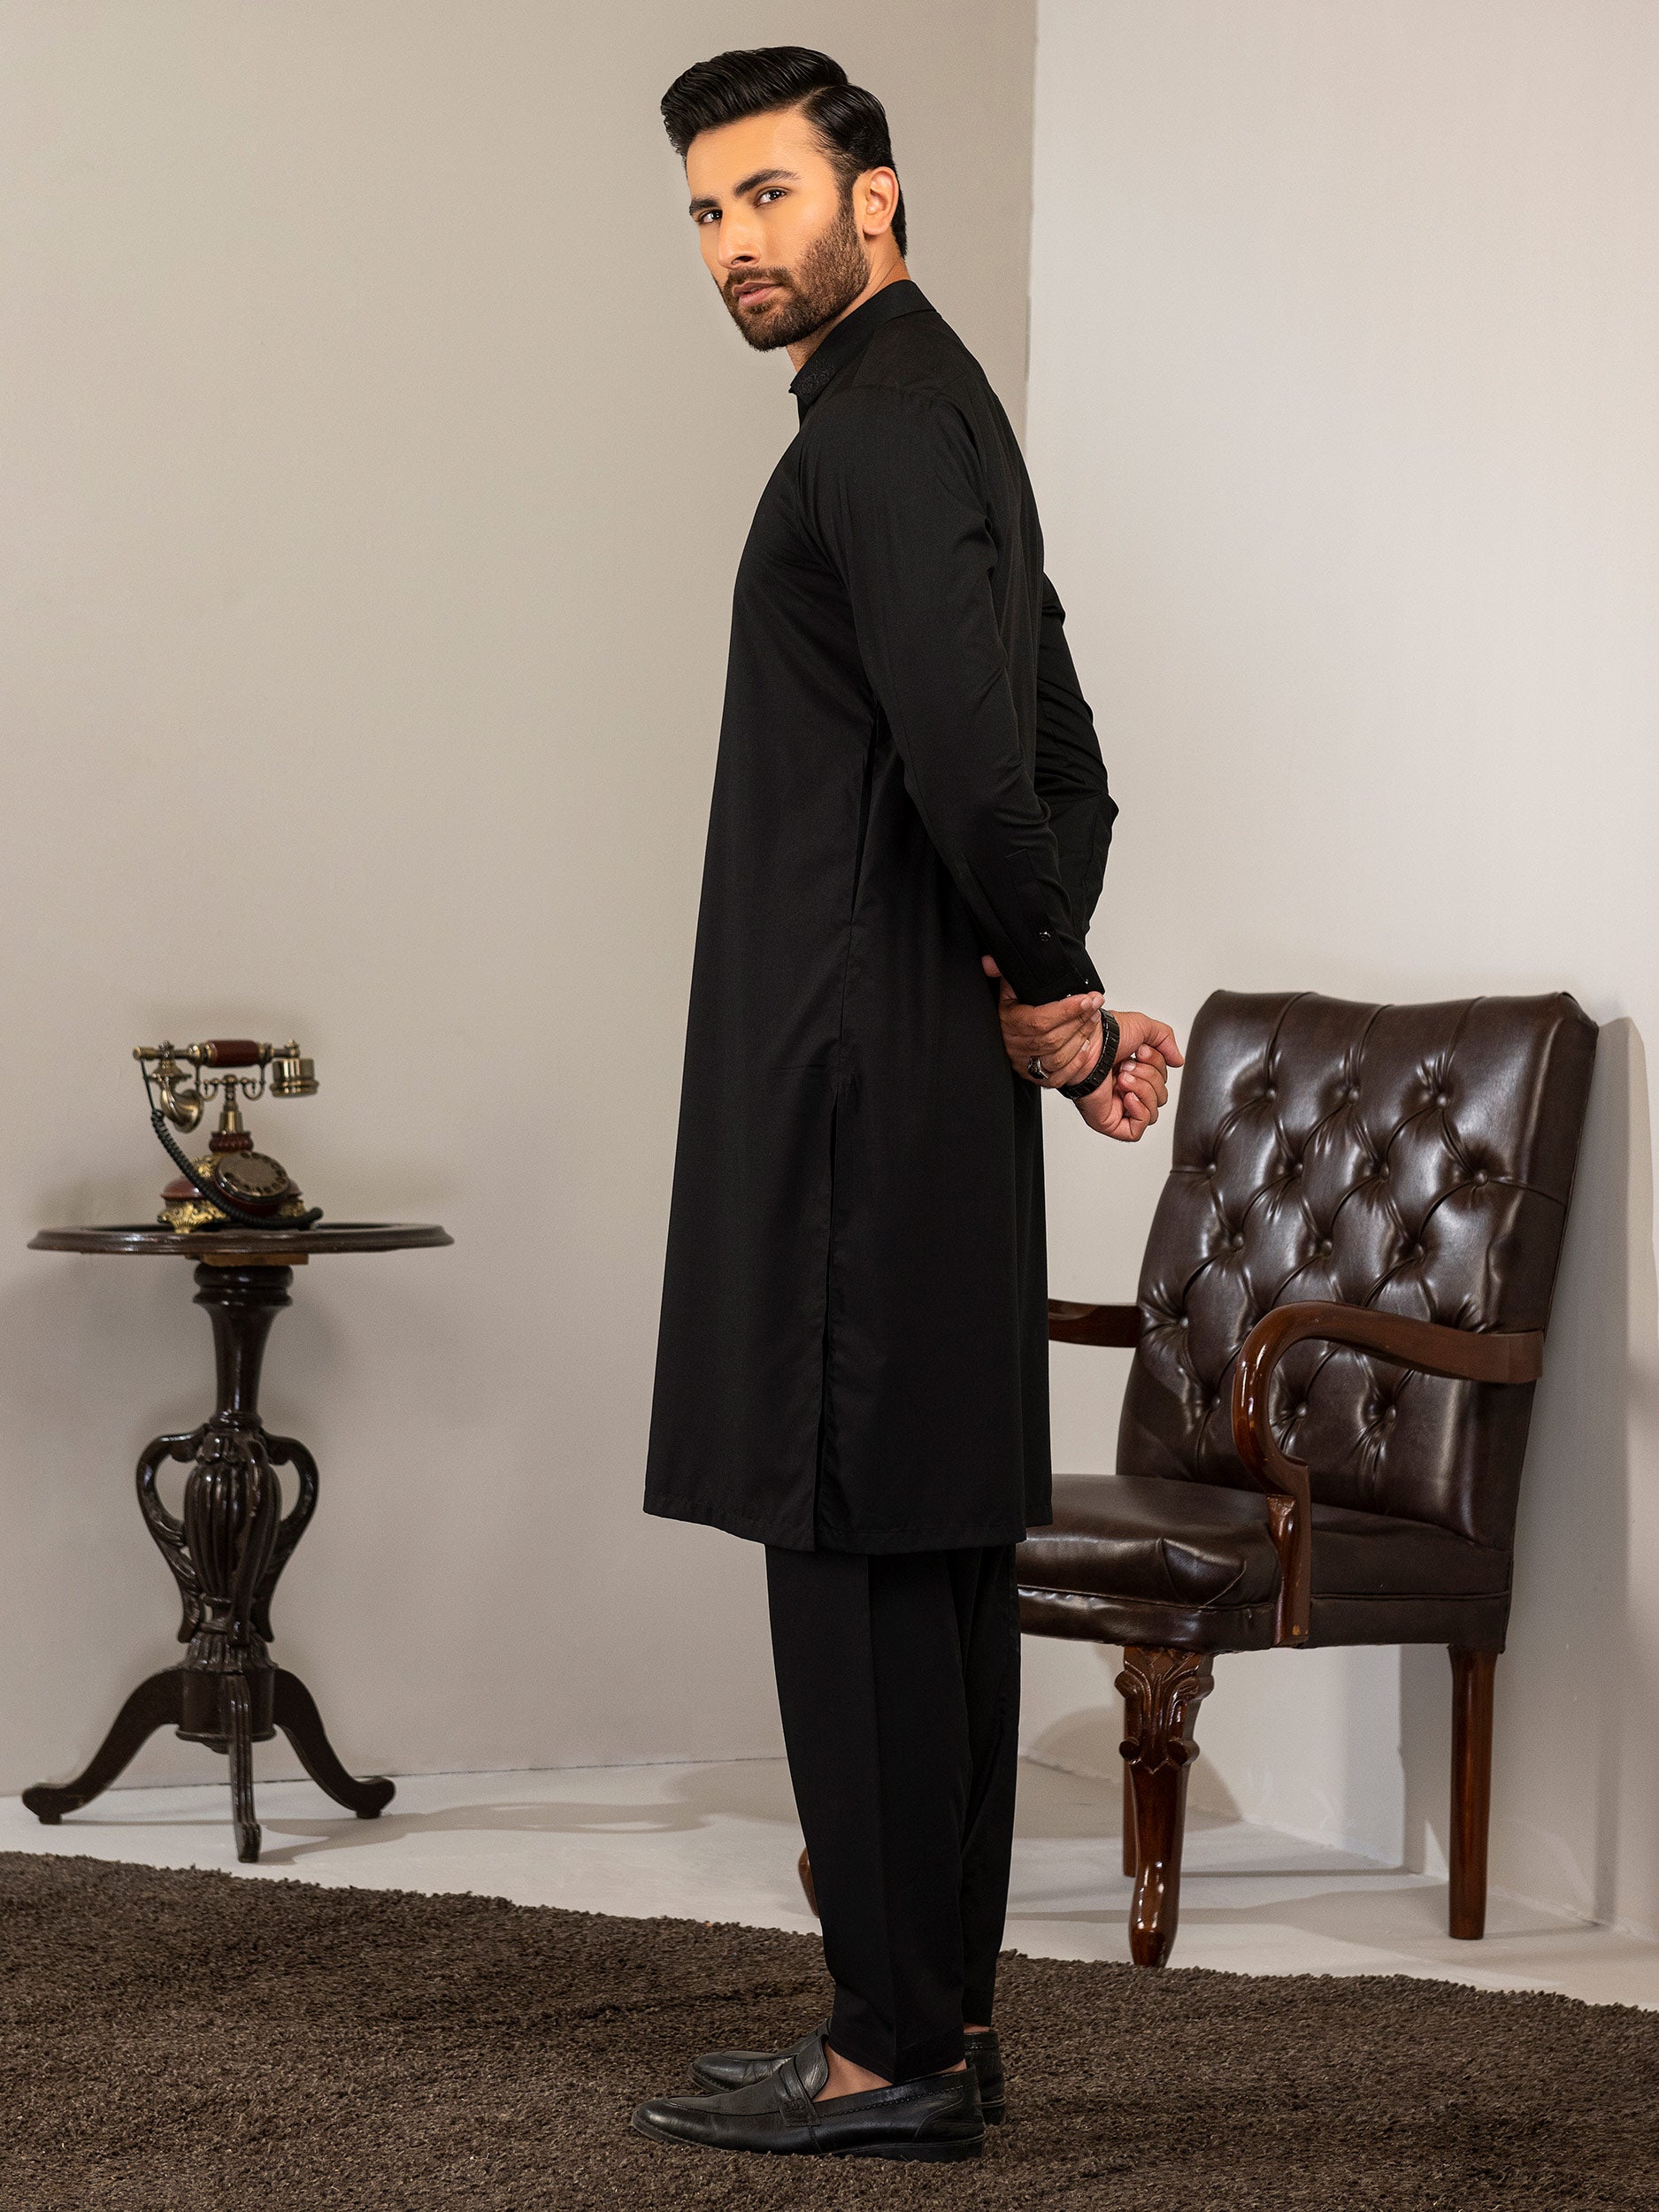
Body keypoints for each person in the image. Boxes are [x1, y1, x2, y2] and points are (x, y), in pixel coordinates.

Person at [634, 47, 1182, 2165]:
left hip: (849, 1070)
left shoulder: (872, 424)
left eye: (766, 193)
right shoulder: (944, 407)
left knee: (855, 1537)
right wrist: (1042, 990)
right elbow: (1064, 763)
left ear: (873, 192)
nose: (733, 243)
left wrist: (1051, 993)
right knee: (940, 1539)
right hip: (928, 1064)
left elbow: (978, 760)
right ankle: (935, 2017)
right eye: (705, 210)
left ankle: (885, 2048)